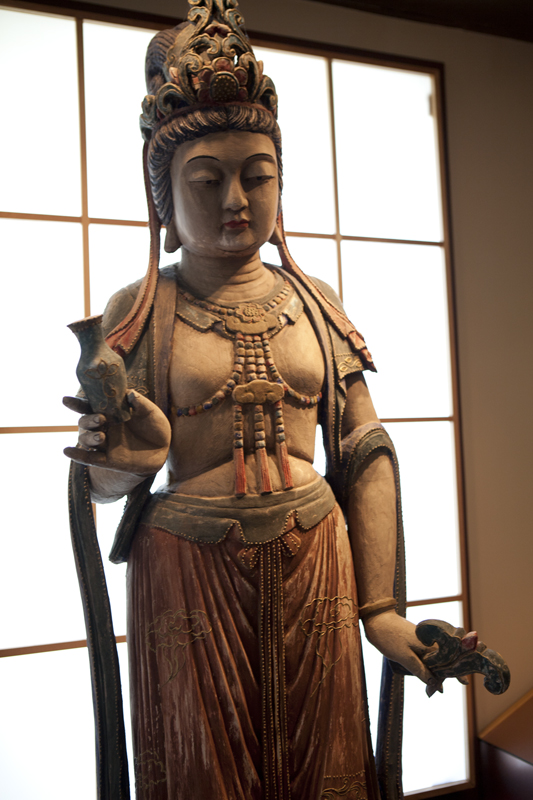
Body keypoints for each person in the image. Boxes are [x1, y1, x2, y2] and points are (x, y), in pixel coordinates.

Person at [64, 2, 435, 798]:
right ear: (163, 197)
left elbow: (365, 451)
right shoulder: (142, 309)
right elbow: (98, 470)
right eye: (207, 179)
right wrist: (124, 467)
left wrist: (382, 610)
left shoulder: (316, 301)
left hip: (318, 568)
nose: (235, 198)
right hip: (189, 580)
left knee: (325, 774)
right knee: (207, 775)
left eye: (256, 176)